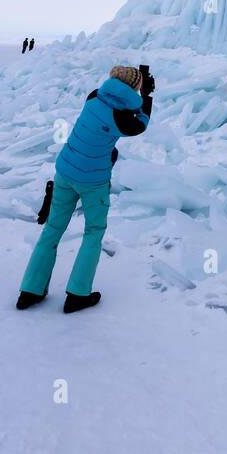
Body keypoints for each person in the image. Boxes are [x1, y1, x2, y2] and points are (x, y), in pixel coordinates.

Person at [16, 64, 155, 314]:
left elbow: (122, 104)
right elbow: (140, 124)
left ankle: (30, 291)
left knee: (53, 229)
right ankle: (78, 294)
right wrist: (146, 99)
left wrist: (138, 95)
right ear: (134, 87)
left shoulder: (94, 96)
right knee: (93, 231)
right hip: (93, 181)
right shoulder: (121, 117)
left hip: (65, 171)